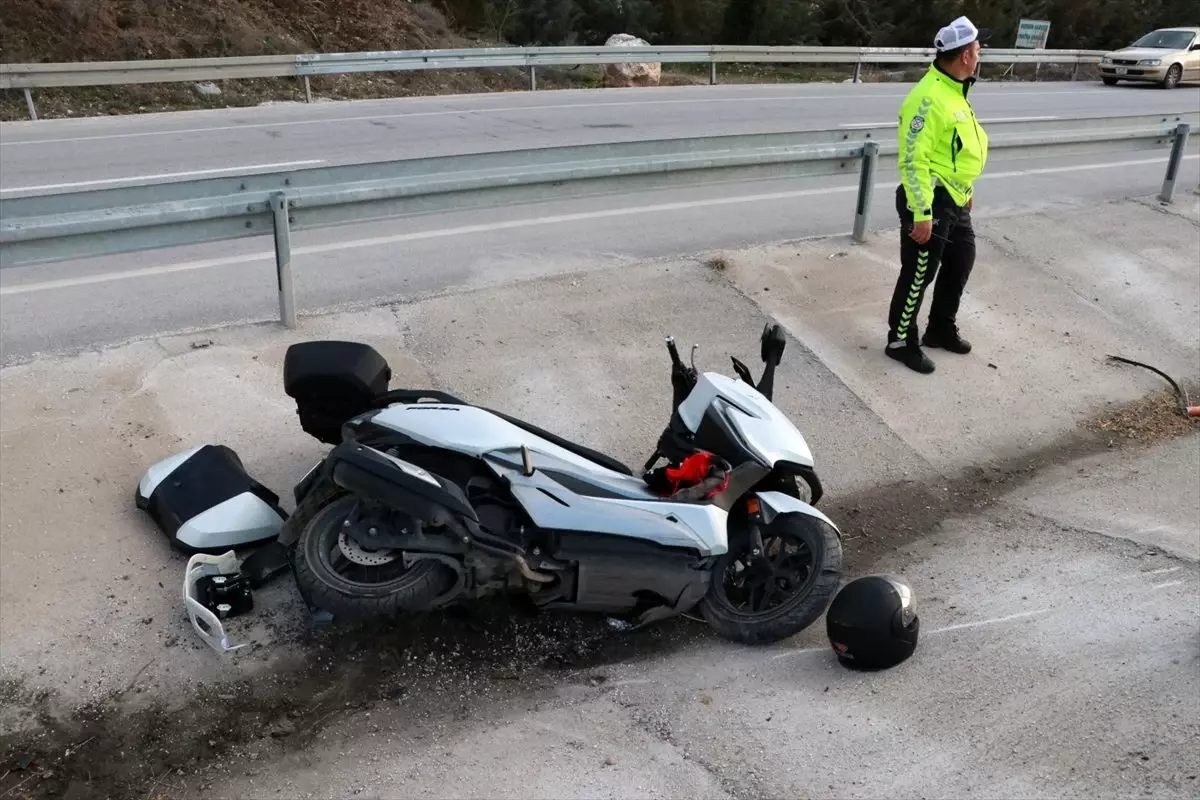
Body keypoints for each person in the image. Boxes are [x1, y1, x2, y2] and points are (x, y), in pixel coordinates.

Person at [886, 16, 992, 374]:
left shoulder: (955, 89)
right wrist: (921, 212)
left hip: (956, 197)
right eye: (977, 49)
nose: (980, 55)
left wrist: (968, 188)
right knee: (919, 274)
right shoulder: (928, 98)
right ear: (964, 55)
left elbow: (956, 150)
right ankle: (900, 341)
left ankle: (939, 328)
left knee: (961, 261)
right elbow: (913, 159)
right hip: (930, 201)